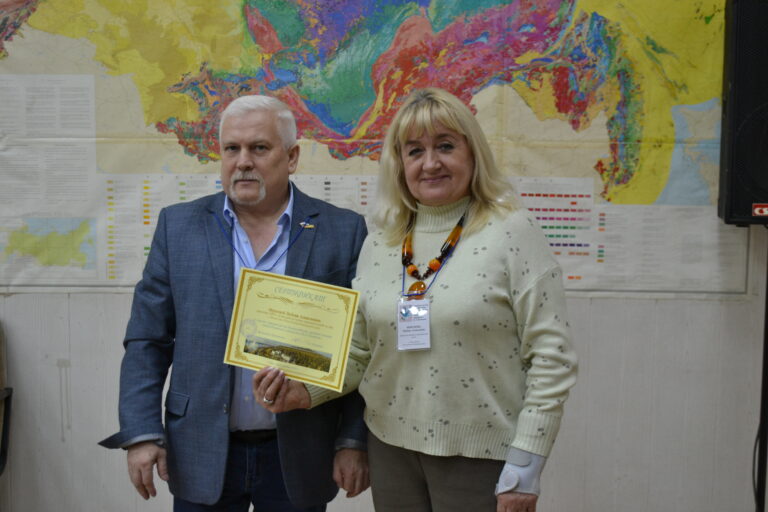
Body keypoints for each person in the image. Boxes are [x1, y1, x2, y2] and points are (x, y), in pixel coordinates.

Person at [254, 87, 578, 512]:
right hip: (390, 452)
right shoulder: (382, 241)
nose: (430, 163)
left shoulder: (513, 232)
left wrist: (526, 467)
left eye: (445, 146)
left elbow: (552, 358)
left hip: (481, 458)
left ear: (473, 153)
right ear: (399, 162)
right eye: (415, 151)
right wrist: (304, 391)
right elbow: (360, 351)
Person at [99, 94, 370, 511]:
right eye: (231, 148)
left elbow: (362, 347)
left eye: (259, 148)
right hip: (201, 447)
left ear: (292, 157)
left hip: (300, 449)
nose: (243, 161)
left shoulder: (343, 231)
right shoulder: (178, 227)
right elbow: (147, 340)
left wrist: (351, 440)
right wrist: (141, 433)